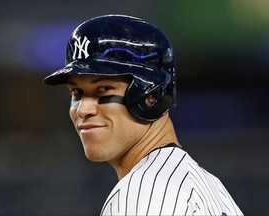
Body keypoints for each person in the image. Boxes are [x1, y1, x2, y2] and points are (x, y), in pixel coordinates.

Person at [43, 14, 243, 216]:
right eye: (77, 93)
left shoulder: (146, 191)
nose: (83, 110)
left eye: (103, 90)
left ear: (151, 95)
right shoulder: (210, 187)